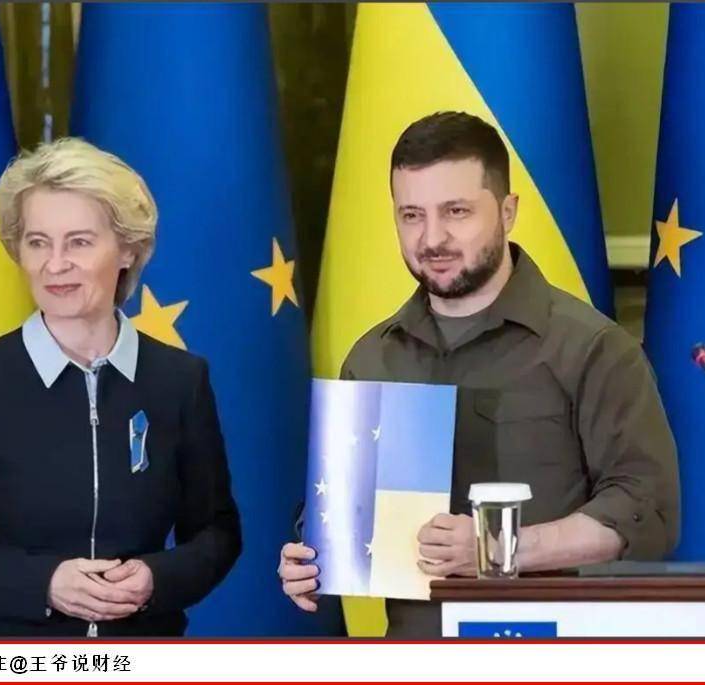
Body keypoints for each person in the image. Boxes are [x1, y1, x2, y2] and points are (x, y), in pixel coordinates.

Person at [278, 111, 679, 636]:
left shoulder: (592, 348)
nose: (432, 238)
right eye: (412, 215)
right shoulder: (372, 359)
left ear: (508, 212)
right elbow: (343, 511)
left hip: (553, 657)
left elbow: (645, 509)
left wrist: (499, 548)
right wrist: (311, 559)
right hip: (416, 656)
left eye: (457, 211)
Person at [0, 138, 241, 637]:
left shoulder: (180, 381)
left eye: (79, 242)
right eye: (38, 242)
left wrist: (157, 579)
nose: (55, 264)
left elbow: (216, 532)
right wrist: (42, 584)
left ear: (127, 249)